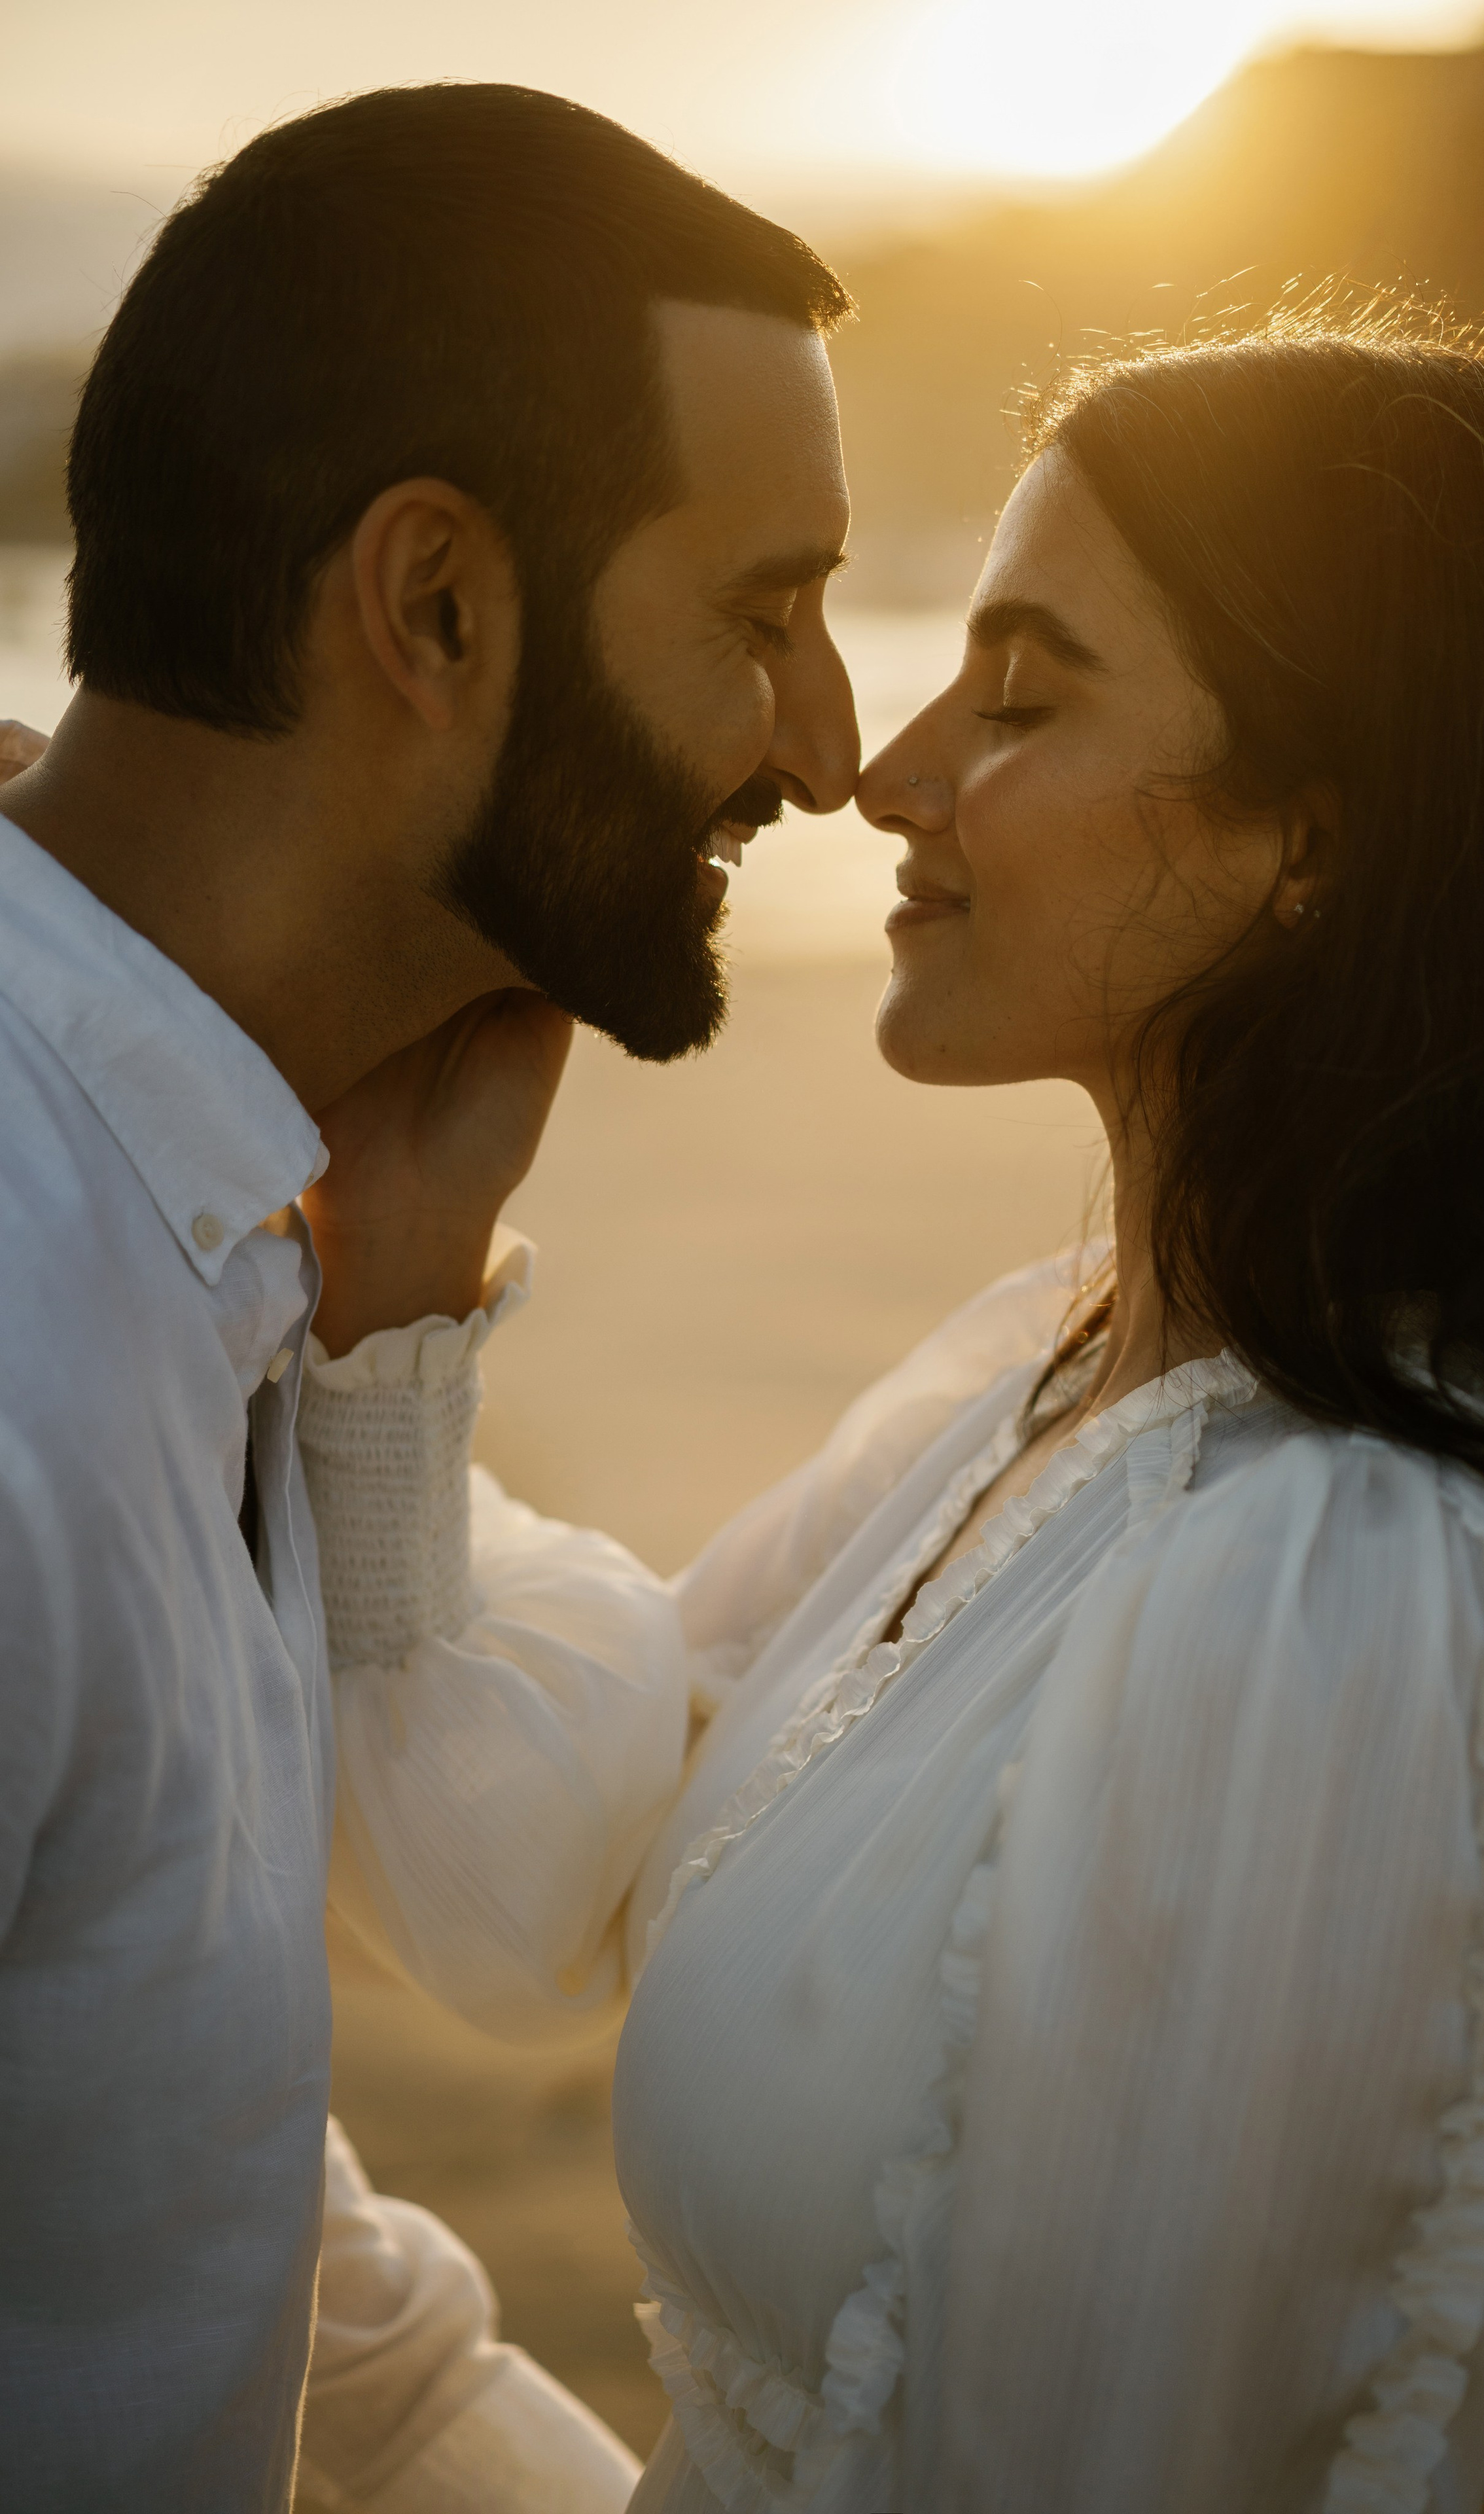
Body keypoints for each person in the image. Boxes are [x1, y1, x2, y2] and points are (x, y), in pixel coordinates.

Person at [292, 317, 1484, 2511]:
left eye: (1023, 694)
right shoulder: (1049, 1368)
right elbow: (520, 1873)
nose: (882, 768)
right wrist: (400, 1287)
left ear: (1310, 840)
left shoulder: (1359, 1596)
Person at [0, 82, 860, 2513]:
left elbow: (174, 2202)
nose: (828, 744)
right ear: (437, 605)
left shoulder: (205, 1209)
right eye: (761, 615)